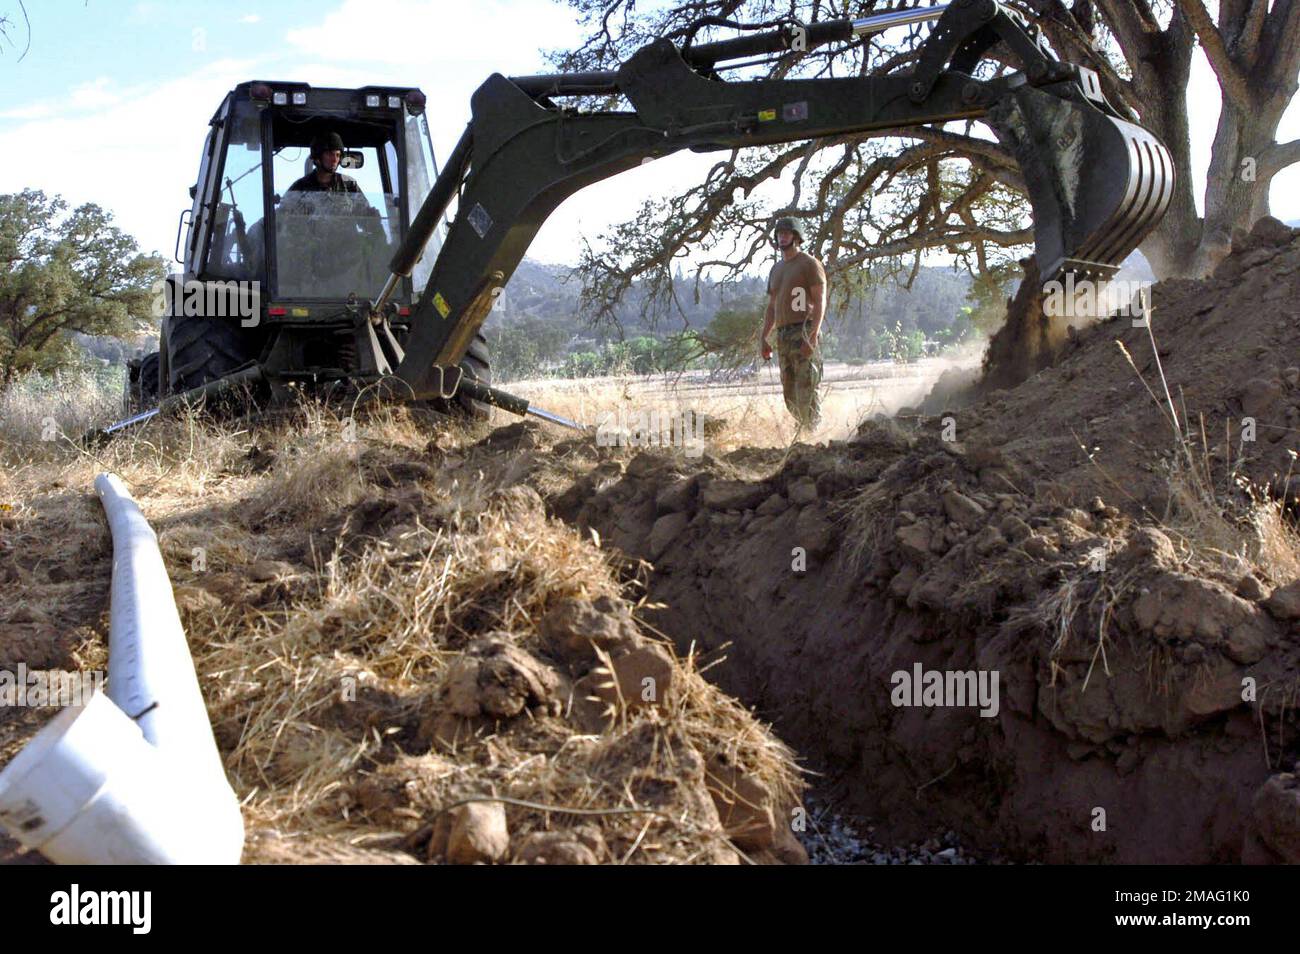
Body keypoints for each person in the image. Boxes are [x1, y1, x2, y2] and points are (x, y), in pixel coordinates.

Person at [760, 216, 825, 429]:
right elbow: (772, 306)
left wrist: (813, 335)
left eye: (787, 234)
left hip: (803, 330)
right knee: (789, 393)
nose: (782, 237)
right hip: (783, 334)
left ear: (796, 237)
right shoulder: (776, 269)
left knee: (807, 386)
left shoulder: (809, 264)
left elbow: (820, 300)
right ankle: (804, 429)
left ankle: (813, 433)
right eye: (779, 234)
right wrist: (764, 337)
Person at [288, 132, 365, 195]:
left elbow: (367, 211)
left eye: (337, 155)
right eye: (330, 154)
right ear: (317, 157)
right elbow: (284, 211)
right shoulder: (300, 187)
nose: (335, 159)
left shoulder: (349, 185)